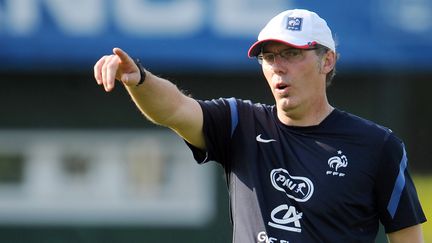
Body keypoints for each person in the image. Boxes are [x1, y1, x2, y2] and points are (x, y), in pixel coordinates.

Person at [93, 9, 426, 243]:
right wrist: (140, 79)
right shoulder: (240, 122)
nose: (278, 67)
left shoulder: (377, 146)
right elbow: (176, 109)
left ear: (327, 61)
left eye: (292, 55)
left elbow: (408, 236)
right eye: (269, 57)